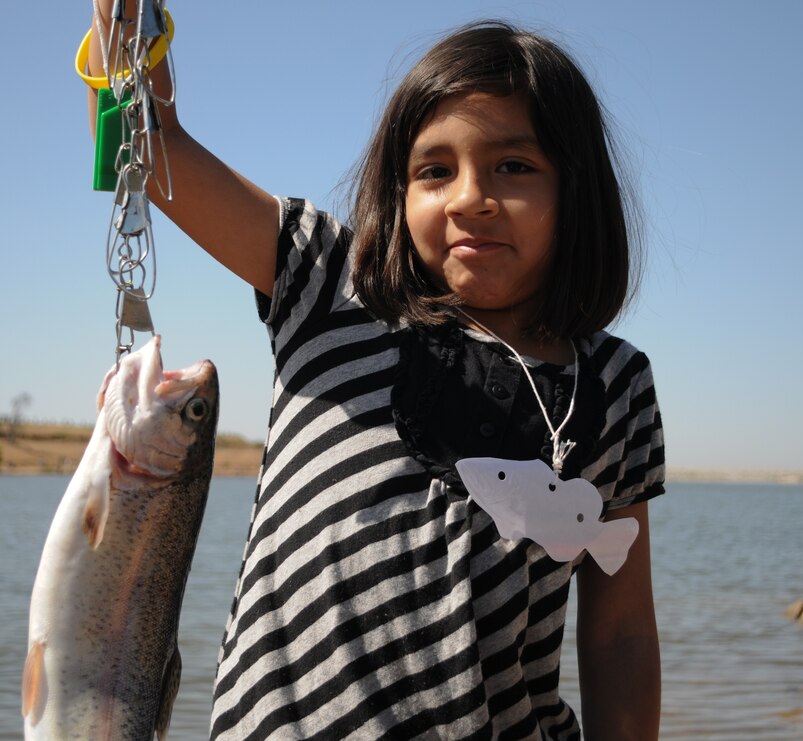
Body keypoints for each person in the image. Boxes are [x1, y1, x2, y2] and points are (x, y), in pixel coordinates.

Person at [86, 9, 665, 740]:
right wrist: (122, 21)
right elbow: (148, 153)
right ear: (398, 191)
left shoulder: (615, 385)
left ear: (574, 191)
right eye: (434, 170)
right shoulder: (328, 285)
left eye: (514, 166)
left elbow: (621, 635)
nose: (469, 198)